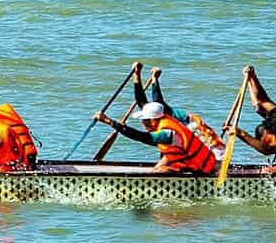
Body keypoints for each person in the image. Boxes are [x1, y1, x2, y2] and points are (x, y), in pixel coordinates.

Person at [90, 67, 221, 174]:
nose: (142, 123)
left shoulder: (168, 131)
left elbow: (139, 136)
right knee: (161, 163)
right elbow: (144, 103)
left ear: (153, 120)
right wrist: (141, 77)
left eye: (145, 120)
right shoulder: (162, 116)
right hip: (189, 152)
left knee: (158, 171)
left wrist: (109, 121)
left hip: (204, 155)